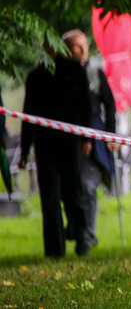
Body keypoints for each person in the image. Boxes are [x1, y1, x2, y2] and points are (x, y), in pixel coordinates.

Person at [18, 36, 92, 257]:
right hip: (45, 144)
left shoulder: (75, 71)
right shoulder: (35, 77)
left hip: (70, 142)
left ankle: (81, 238)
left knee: (73, 192)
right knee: (50, 196)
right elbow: (28, 115)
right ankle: (55, 249)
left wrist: (87, 138)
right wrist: (25, 148)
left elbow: (85, 107)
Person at [63, 30, 117, 251]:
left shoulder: (95, 73)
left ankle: (88, 233)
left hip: (94, 135)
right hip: (68, 137)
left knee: (88, 186)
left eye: (85, 45)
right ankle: (76, 226)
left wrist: (111, 136)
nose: (84, 50)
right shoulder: (62, 74)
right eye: (78, 46)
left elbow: (110, 105)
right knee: (71, 188)